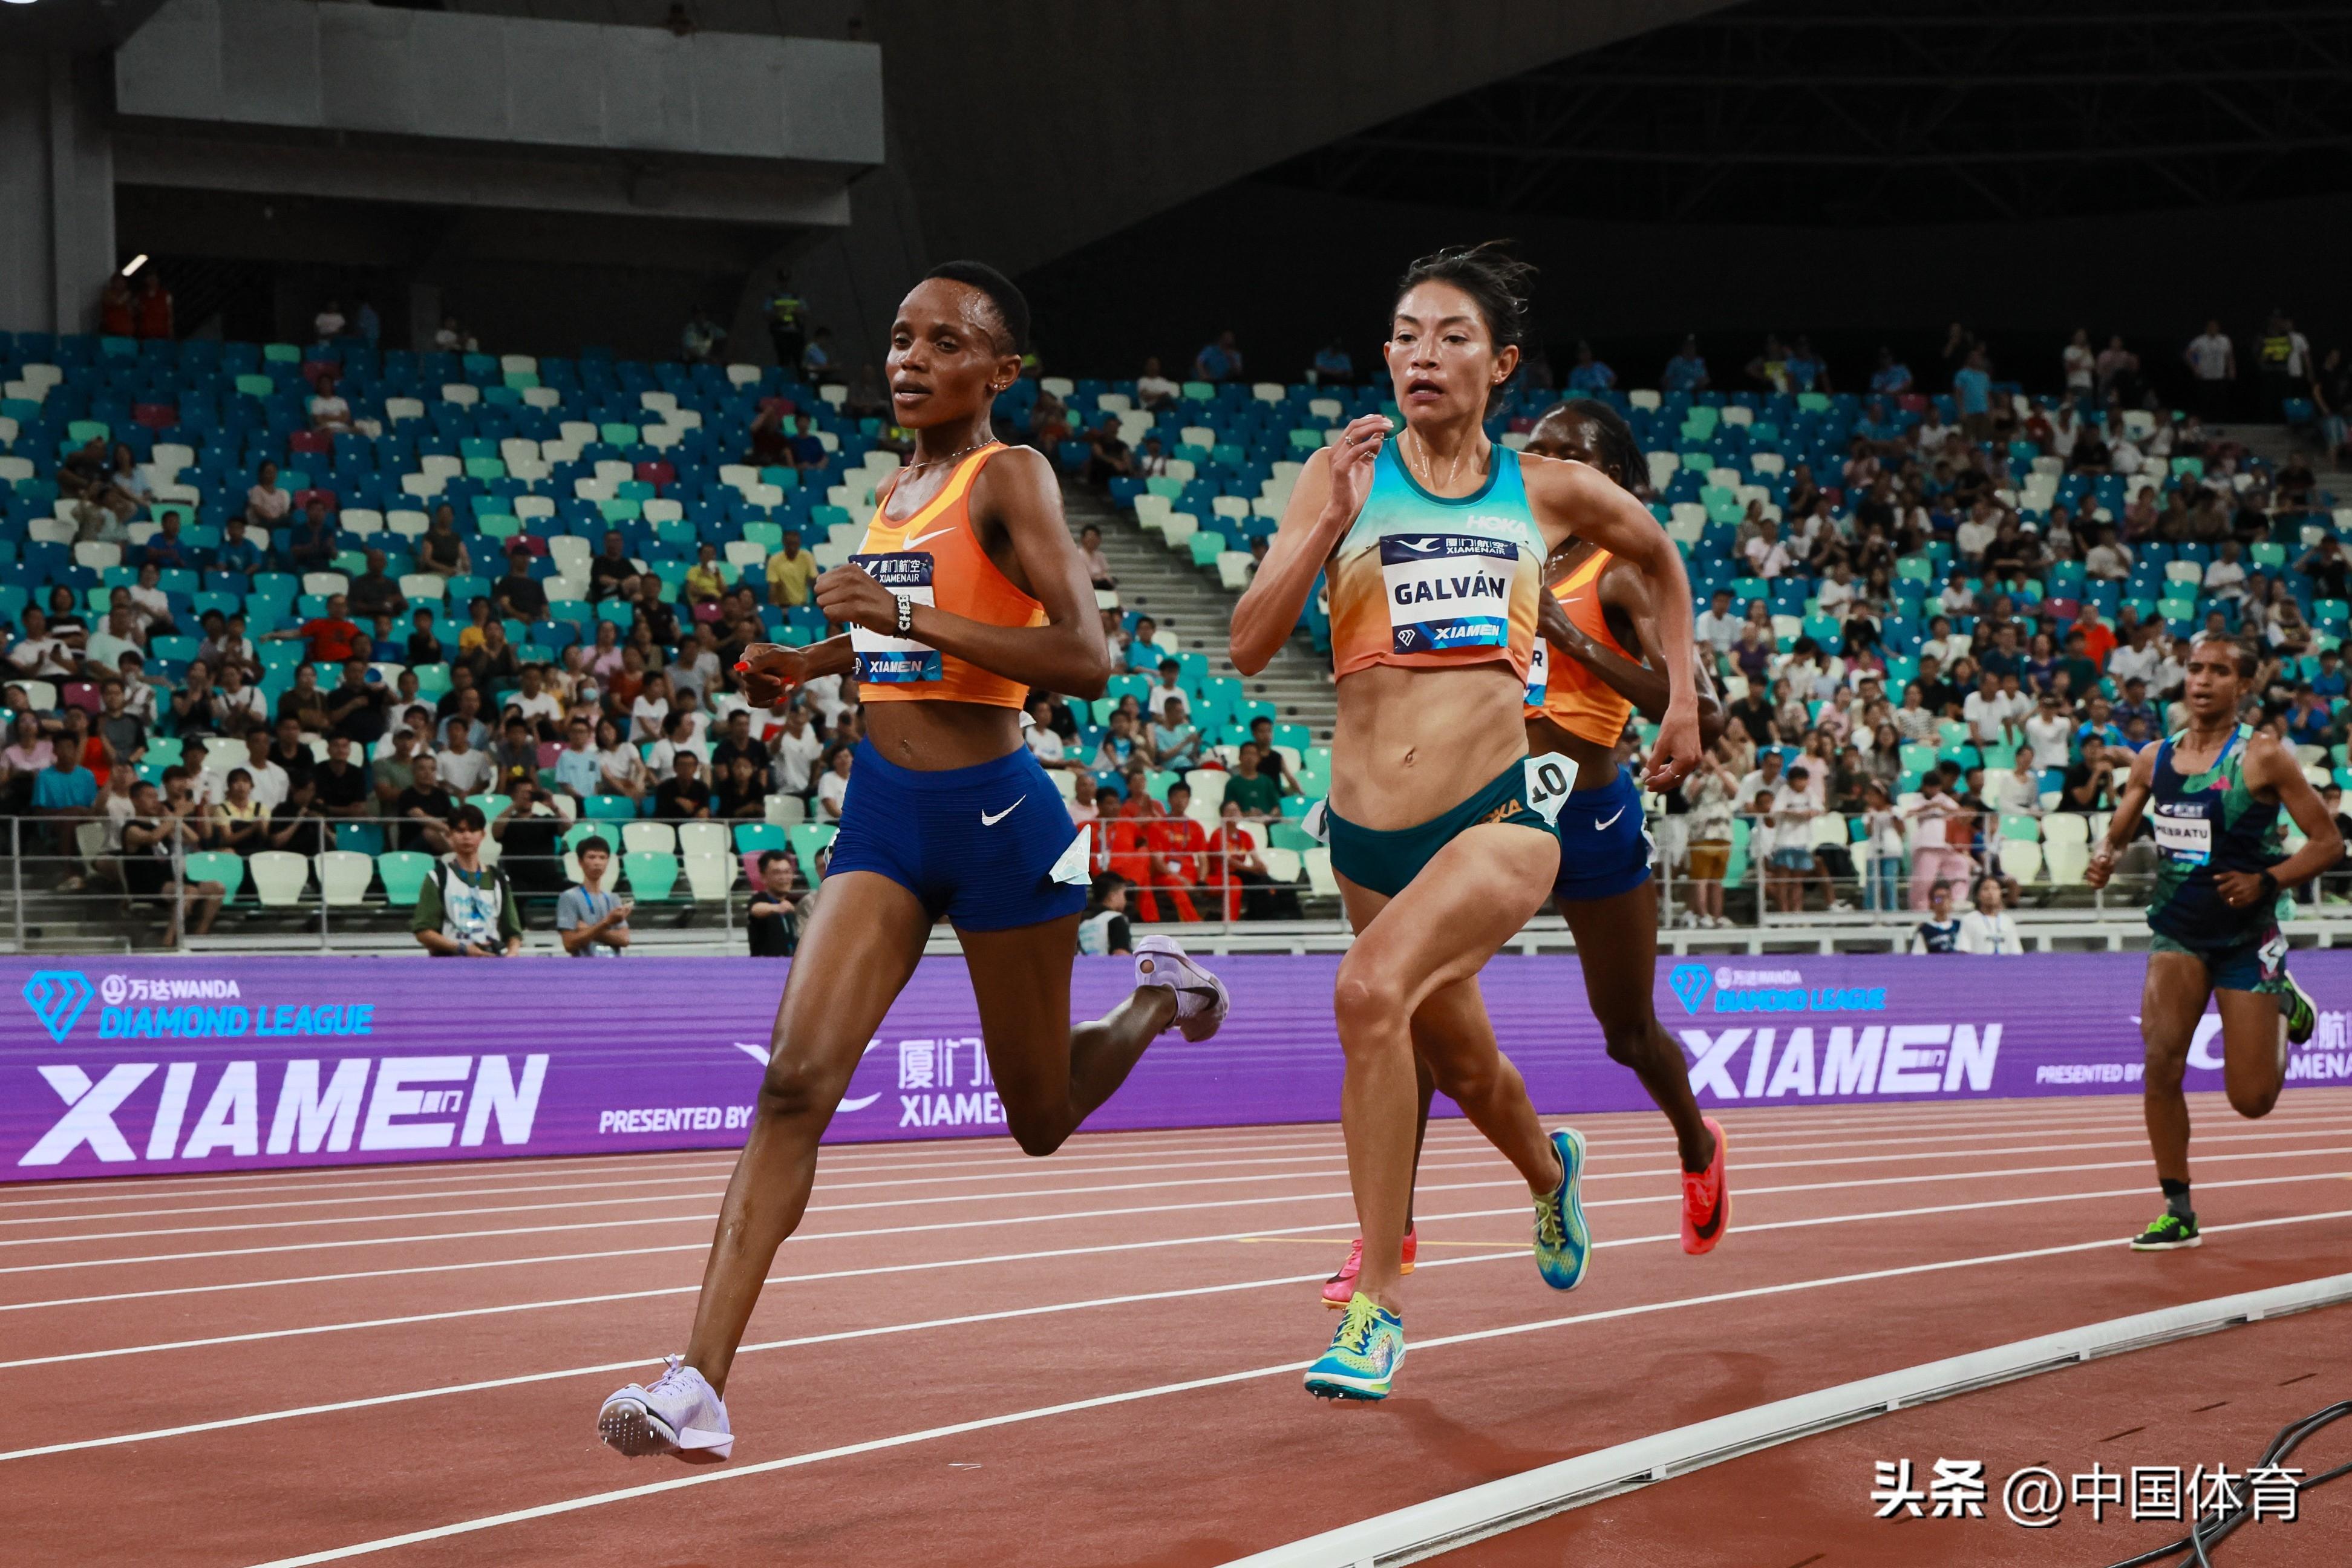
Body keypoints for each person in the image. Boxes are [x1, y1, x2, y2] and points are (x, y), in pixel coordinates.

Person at [599, 262, 1229, 1463]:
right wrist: (813, 662)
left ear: (1001, 371)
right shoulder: (899, 487)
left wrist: (897, 619)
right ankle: (699, 1383)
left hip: (1005, 822)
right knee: (794, 1083)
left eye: (946, 342)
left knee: (1038, 1118)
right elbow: (905, 634)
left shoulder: (1013, 475)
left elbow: (1083, 657)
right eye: (899, 338)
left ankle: (1158, 998)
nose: (910, 359)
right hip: (884, 817)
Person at [1230, 244, 1699, 1400]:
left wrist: (1683, 696)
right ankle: (1549, 1170)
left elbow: (1658, 552)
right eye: (1404, 335)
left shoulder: (1542, 487)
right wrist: (1323, 524)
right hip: (1365, 836)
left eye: (1450, 337)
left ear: (1501, 364)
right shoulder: (1339, 471)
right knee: (1464, 1061)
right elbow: (1246, 644)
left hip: (1501, 816)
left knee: (1365, 994)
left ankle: (1377, 1308)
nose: (1421, 355)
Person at [1326, 397, 1735, 1310]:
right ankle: (1389, 1231)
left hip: (1586, 812)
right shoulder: (1493, 541)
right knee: (1407, 1006)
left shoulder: (1618, 573)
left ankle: (1696, 1143)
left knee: (1627, 1030)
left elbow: (1702, 708)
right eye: (1537, 446)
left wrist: (1566, 632)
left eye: (1566, 453)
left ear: (1607, 479)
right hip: (1488, 810)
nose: (1543, 461)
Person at [2086, 634, 2337, 1252]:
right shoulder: (2153, 758)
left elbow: (2328, 843)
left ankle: (2285, 1001)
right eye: (2195, 668)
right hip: (2177, 930)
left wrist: (2266, 882)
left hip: (2247, 936)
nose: (2202, 680)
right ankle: (2178, 1209)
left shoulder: (2264, 757)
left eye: (2219, 672)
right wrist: (2105, 854)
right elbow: (2120, 828)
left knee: (2251, 1101)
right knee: (2160, 1061)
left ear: (2243, 685)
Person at [413, 804, 523, 956]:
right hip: (450, 962)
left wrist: (512, 953)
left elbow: (513, 932)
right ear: (449, 835)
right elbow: (423, 931)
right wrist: (462, 949)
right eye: (460, 831)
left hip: (492, 961)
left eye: (473, 830)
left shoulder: (498, 878)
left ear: (483, 835)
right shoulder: (438, 878)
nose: (467, 836)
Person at [557, 835, 633, 956]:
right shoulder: (569, 897)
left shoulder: (613, 898)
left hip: (613, 965)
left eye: (602, 858)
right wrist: (607, 923)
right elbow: (569, 943)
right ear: (580, 862)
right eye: (592, 857)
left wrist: (588, 929)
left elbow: (624, 939)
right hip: (584, 966)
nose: (597, 863)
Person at [746, 850, 804, 956]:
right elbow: (755, 909)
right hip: (767, 965)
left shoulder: (789, 906)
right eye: (777, 873)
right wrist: (777, 908)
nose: (783, 877)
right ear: (763, 877)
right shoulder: (760, 898)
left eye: (787, 872)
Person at [1953, 875, 2022, 954]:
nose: (1991, 893)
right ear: (1978, 895)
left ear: (2000, 893)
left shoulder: (2008, 921)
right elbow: (1964, 950)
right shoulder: (1969, 920)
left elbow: (2016, 951)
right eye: (1986, 889)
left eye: (1995, 889)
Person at [1076, 871, 1133, 955]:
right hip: (1108, 963)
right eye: (1123, 894)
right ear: (1113, 896)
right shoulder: (1116, 919)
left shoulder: (1082, 922)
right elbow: (1121, 954)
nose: (1125, 899)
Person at [1908, 879, 1962, 952]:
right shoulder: (1925, 930)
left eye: (1947, 897)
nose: (1943, 901)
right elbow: (1918, 956)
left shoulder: (1960, 926)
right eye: (1938, 899)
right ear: (1932, 903)